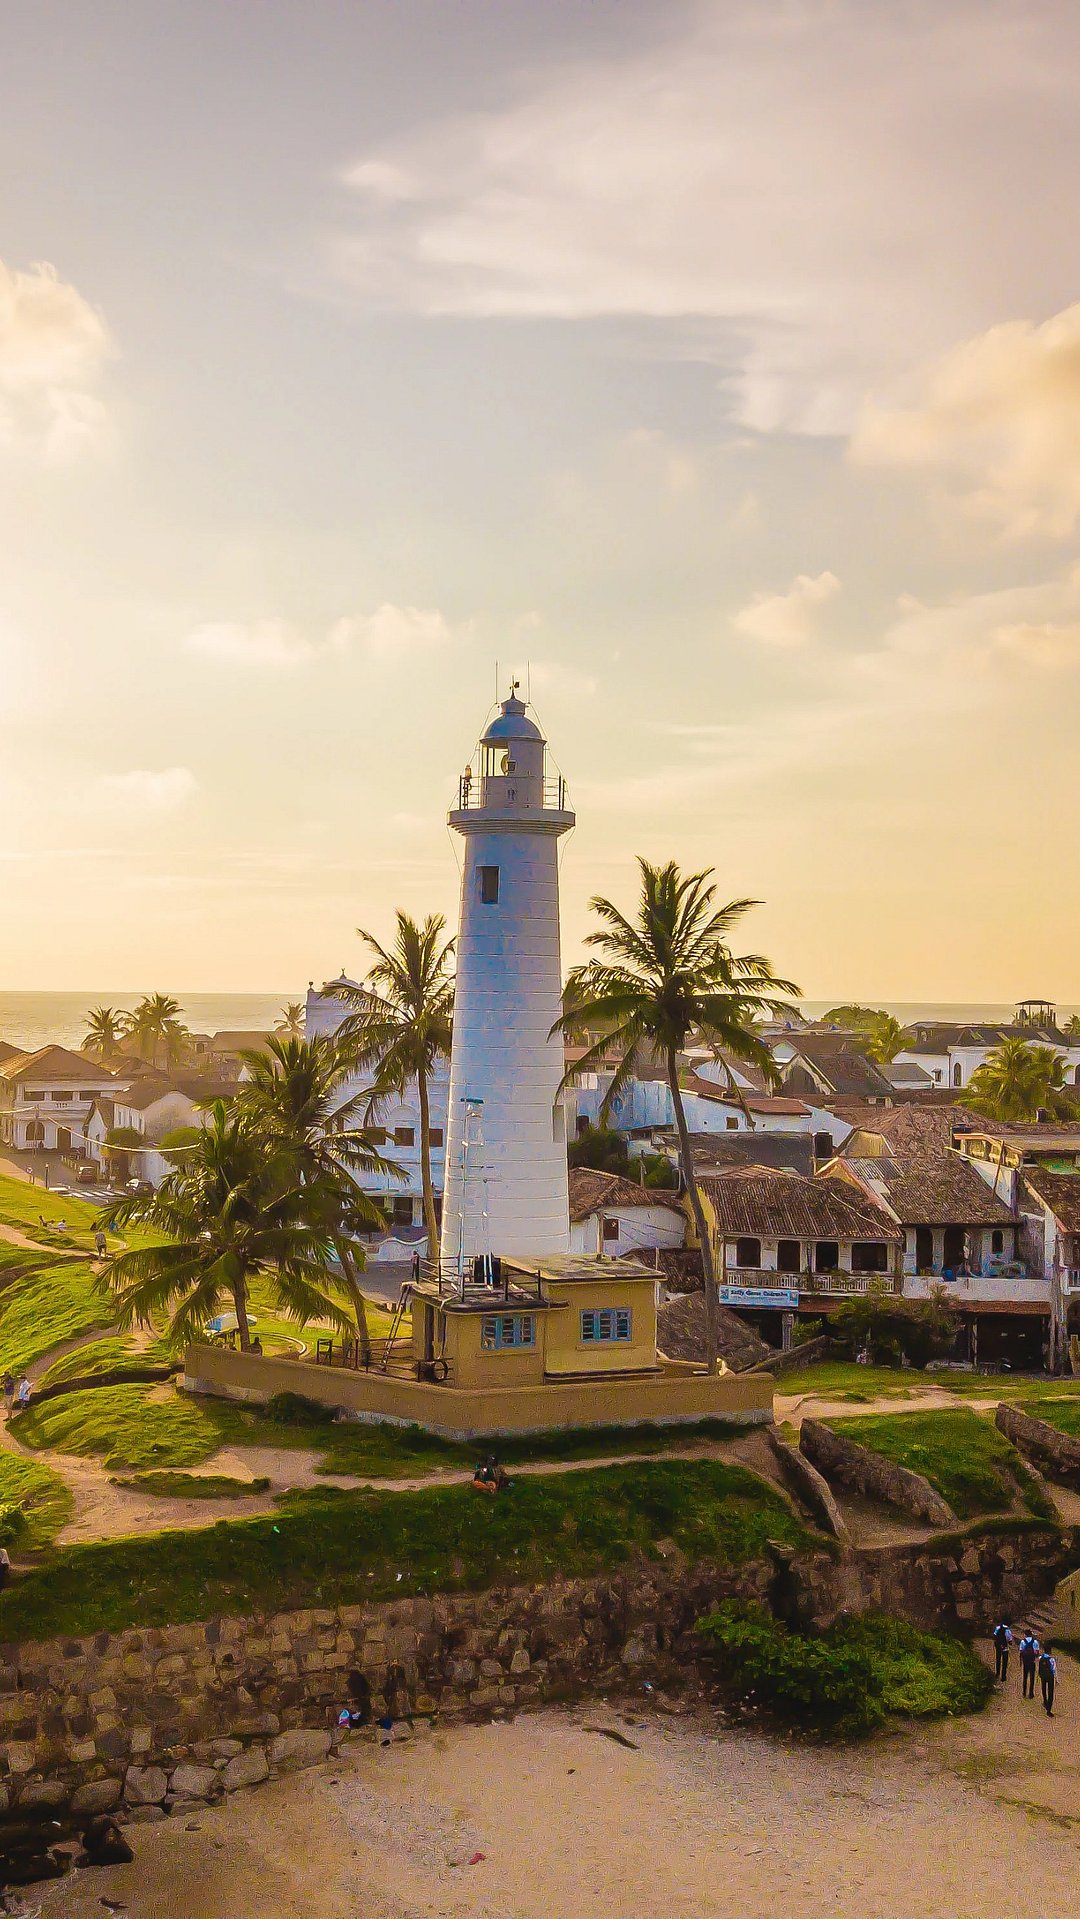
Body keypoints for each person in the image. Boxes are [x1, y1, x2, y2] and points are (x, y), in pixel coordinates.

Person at [1019, 1629, 1040, 1699]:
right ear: (1031, 1634)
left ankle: (1024, 1692)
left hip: (1025, 1662)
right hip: (1032, 1661)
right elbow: (1037, 1653)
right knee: (1032, 1678)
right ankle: (1031, 1693)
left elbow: (1021, 1651)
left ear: (1025, 1634)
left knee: (1025, 1677)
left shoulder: (1022, 1641)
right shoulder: (1035, 1642)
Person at [992, 1618, 1013, 1682]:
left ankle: (997, 1673)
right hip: (1005, 1648)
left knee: (998, 1659)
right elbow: (1010, 1641)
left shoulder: (998, 1627)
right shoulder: (1008, 1631)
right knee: (1004, 1662)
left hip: (998, 1646)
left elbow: (994, 1635)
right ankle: (1003, 1676)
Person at [1039, 1644, 1057, 1717]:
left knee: (1043, 1688)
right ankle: (1049, 1710)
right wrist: (1056, 1679)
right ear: (1050, 1651)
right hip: (1050, 1677)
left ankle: (1045, 1701)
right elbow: (1054, 1670)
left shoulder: (1041, 1658)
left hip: (1043, 1676)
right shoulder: (1051, 1659)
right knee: (1050, 1692)